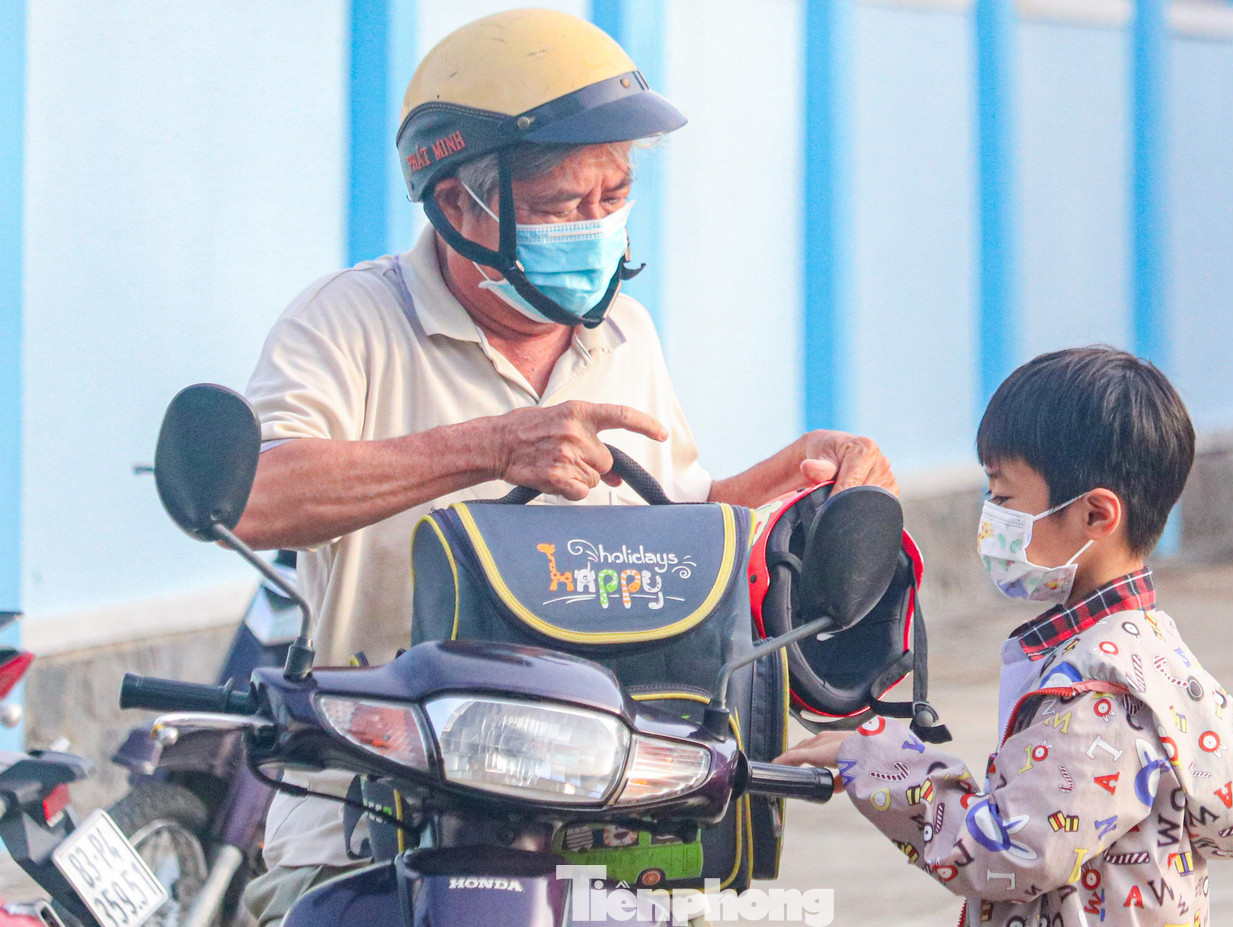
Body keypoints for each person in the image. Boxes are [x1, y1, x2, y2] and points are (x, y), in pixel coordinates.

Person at [234, 9, 896, 926]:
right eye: (559, 206)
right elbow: (260, 497)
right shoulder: (348, 322)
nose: (595, 225)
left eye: (613, 196)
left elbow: (671, 539)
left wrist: (785, 488)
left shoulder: (625, 332)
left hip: (604, 823)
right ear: (457, 202)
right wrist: (493, 444)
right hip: (373, 821)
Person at [777, 347, 1233, 926]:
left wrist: (879, 762)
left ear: (1097, 515)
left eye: (1003, 497)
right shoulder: (1143, 645)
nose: (990, 517)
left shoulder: (1099, 692)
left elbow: (1014, 853)